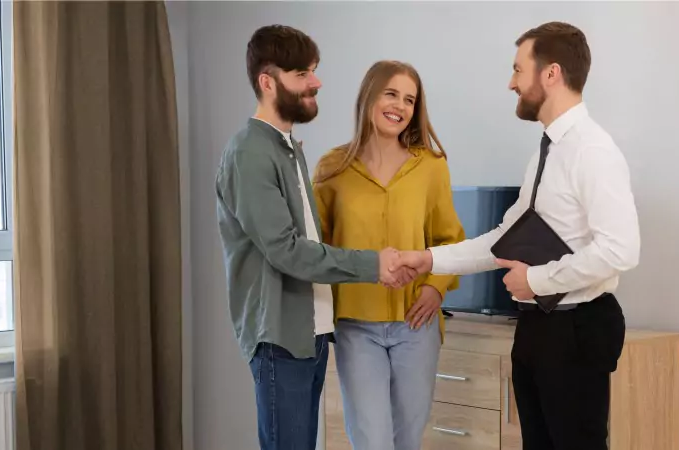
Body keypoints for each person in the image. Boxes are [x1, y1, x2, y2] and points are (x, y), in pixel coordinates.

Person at [395, 22, 640, 450]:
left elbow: (621, 249)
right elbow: (504, 238)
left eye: (517, 70)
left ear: (551, 74)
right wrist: (430, 260)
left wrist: (537, 281)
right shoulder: (545, 153)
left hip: (576, 330)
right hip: (537, 331)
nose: (511, 83)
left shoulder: (592, 150)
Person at [215, 26, 415, 450]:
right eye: (302, 73)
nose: (316, 82)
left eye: (314, 71)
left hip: (311, 335)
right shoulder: (250, 152)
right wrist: (373, 264)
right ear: (267, 82)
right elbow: (285, 251)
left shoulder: (287, 148)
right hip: (280, 339)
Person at [312, 60, 465, 450]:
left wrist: (435, 289)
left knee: (407, 440)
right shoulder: (333, 169)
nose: (400, 105)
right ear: (370, 96)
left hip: (416, 324)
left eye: (410, 99)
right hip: (356, 325)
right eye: (391, 94)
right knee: (372, 441)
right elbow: (317, 250)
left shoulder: (431, 168)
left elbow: (450, 239)